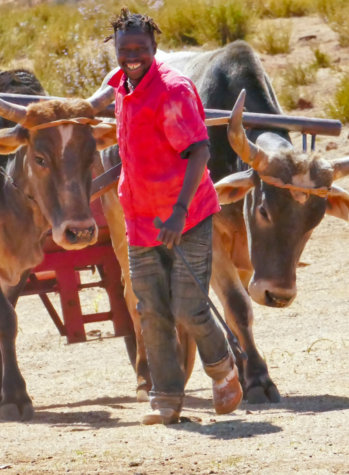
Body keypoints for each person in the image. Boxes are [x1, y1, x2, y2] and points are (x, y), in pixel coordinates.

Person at [105, 7, 243, 425]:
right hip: (140, 219)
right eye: (124, 48)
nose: (132, 55)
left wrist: (179, 211)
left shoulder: (173, 91)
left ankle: (223, 371)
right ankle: (165, 398)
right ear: (114, 48)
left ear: (155, 48)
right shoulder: (120, 88)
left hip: (186, 215)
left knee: (187, 306)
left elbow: (199, 150)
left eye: (140, 48)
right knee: (151, 309)